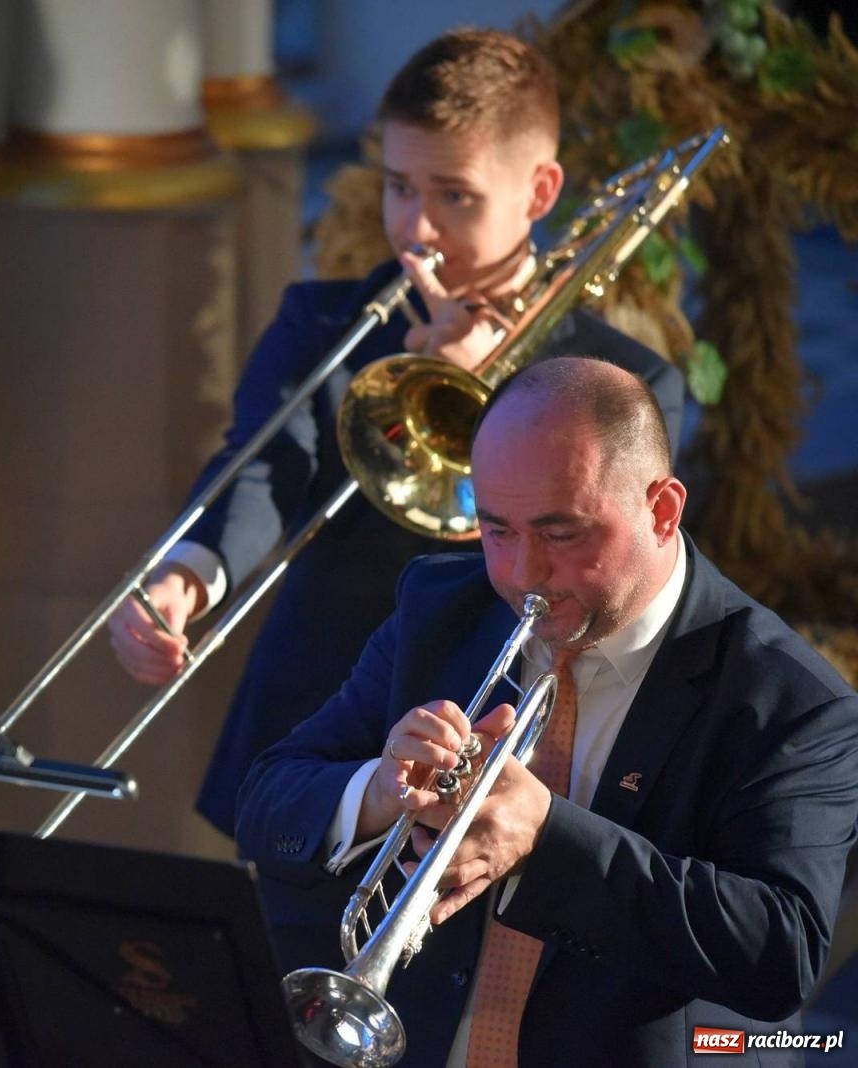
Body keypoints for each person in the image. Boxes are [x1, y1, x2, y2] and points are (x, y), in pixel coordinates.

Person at [106, 28, 688, 837]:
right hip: (317, 728)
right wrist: (189, 575)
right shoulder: (325, 323)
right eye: (398, 187)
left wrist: (496, 399)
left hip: (493, 743)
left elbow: (602, 580)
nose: (417, 227)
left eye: (454, 195)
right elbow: (261, 468)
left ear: (541, 190)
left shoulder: (627, 384)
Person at [237, 357, 858, 1066]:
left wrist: (544, 837)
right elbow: (266, 799)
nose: (521, 574)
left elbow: (782, 951)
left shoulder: (790, 699)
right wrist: (378, 791)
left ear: (661, 511)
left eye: (561, 534)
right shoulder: (442, 607)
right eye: (496, 529)